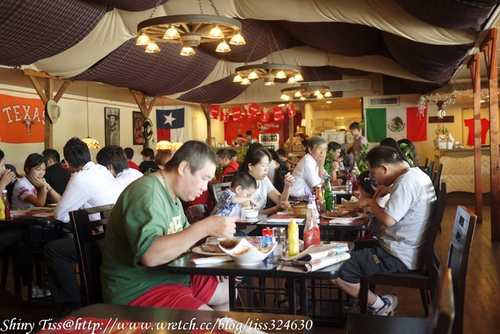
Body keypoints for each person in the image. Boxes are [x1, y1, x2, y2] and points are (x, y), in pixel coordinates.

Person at [101, 140, 237, 310]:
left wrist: (213, 252)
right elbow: (150, 255)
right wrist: (205, 227)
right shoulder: (147, 193)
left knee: (230, 291)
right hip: (141, 288)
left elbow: (186, 237)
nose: (204, 187)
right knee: (211, 322)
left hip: (173, 276)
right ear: (184, 168)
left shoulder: (170, 193)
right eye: (204, 179)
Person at [331, 145, 436, 316]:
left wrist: (371, 202)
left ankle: (380, 305)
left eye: (373, 174)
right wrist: (389, 189)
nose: (375, 179)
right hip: (403, 248)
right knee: (347, 249)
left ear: (384, 168)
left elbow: (388, 220)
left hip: (397, 255)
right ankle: (367, 301)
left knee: (334, 270)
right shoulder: (415, 175)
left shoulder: (407, 182)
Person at [44, 137, 124, 314]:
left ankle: (73, 304)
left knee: (53, 249)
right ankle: (80, 296)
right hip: (116, 236)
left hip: (100, 241)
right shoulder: (102, 170)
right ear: (89, 155)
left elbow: (60, 214)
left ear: (66, 162)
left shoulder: (80, 178)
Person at [238, 147, 294, 215]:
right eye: (263, 165)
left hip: (260, 222)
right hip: (248, 224)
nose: (266, 169)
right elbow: (248, 215)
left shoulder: (263, 179)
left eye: (268, 165)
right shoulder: (241, 184)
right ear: (251, 166)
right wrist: (276, 209)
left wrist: (287, 186)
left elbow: (280, 201)